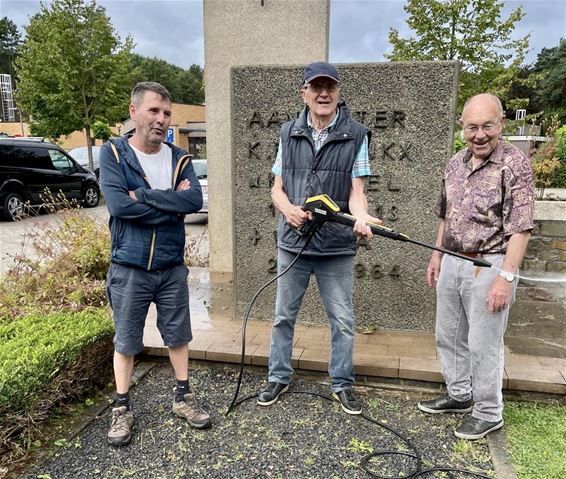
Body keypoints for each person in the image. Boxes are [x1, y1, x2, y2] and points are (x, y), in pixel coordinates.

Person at [257, 62, 381, 414]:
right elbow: (276, 189)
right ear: (304, 93)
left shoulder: (357, 134)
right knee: (283, 316)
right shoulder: (287, 132)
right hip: (293, 243)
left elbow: (357, 191)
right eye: (316, 87)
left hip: (336, 247)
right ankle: (278, 376)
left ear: (339, 93)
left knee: (342, 320)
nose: (323, 93)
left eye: (330, 87)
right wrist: (287, 209)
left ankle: (342, 384)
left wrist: (359, 216)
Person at [100, 82, 211, 447]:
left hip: (170, 267)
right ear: (134, 112)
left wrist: (144, 197)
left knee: (178, 335)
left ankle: (183, 398)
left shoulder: (179, 158)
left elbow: (193, 201)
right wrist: (168, 203)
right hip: (129, 266)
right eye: (154, 111)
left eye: (166, 113)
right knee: (127, 340)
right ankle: (121, 409)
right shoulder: (114, 154)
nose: (161, 119)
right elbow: (119, 207)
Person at [418, 93, 534, 440]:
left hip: (491, 263)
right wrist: (436, 255)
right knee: (448, 334)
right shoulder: (455, 163)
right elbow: (446, 214)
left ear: (500, 124)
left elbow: (522, 226)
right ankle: (459, 394)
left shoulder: (514, 164)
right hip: (452, 261)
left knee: (484, 342)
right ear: (462, 127)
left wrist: (506, 277)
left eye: (487, 126)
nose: (479, 135)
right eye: (472, 127)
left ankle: (488, 412)